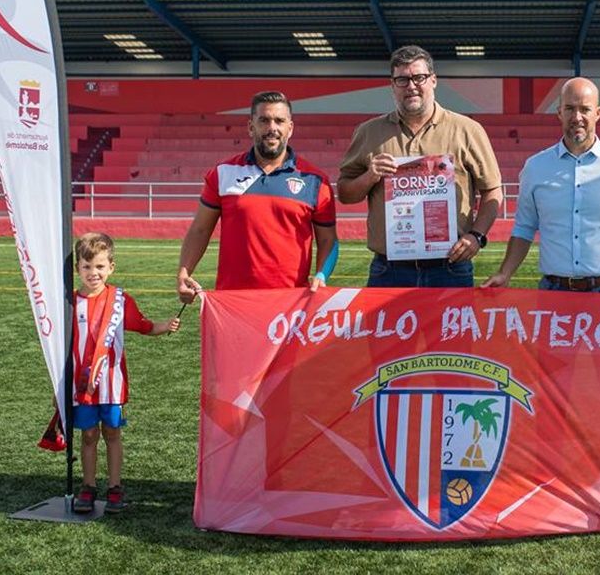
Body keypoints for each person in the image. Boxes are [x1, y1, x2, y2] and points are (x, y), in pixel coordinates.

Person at [337, 45, 502, 287]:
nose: (411, 86)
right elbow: (344, 194)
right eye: (402, 79)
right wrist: (370, 176)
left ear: (433, 80)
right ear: (392, 85)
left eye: (419, 77)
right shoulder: (368, 132)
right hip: (389, 270)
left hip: (449, 267)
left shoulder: (467, 130)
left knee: (449, 328)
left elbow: (492, 191)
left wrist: (477, 236)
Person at [481, 77, 600, 294]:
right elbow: (524, 226)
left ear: (598, 113)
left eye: (585, 109)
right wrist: (505, 273)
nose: (577, 117)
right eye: (570, 108)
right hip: (553, 292)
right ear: (559, 112)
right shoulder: (535, 167)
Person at [178, 91, 338, 302]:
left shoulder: (316, 180)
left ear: (290, 128)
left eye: (279, 121)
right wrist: (184, 272)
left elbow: (329, 240)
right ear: (251, 127)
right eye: (264, 120)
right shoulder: (223, 173)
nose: (272, 128)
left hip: (291, 302)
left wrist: (321, 275)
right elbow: (200, 230)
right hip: (233, 300)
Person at [70, 232, 179, 514]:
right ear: (77, 268)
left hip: (112, 386)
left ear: (111, 267)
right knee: (88, 435)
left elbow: (143, 326)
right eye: (86, 266)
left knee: (112, 432)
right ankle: (88, 486)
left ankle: (115, 487)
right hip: (82, 386)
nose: (93, 273)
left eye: (100, 267)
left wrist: (165, 325)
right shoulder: (69, 303)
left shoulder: (120, 300)